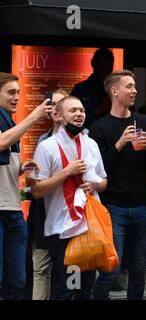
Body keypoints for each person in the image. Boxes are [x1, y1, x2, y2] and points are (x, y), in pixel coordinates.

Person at [89, 70, 146, 300]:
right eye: (129, 86)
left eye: (135, 86)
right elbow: (98, 169)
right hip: (113, 208)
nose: (135, 91)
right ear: (114, 91)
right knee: (111, 270)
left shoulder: (144, 122)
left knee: (138, 269)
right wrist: (119, 144)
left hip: (141, 207)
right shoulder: (99, 128)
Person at [31, 96, 107, 300]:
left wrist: (94, 185)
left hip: (89, 227)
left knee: (85, 289)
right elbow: (37, 190)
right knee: (65, 289)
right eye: (73, 110)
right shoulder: (47, 147)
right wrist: (67, 172)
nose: (79, 114)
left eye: (81, 110)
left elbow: (104, 181)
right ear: (58, 115)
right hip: (62, 229)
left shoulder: (91, 144)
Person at [0, 72, 53, 300]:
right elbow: (1, 143)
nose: (17, 97)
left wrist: (23, 166)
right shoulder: (10, 128)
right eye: (11, 92)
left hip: (13, 208)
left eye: (18, 93)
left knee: (18, 280)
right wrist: (33, 116)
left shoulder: (9, 124)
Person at [27, 89, 69, 300]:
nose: (56, 109)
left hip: (71, 216)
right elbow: (37, 182)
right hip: (44, 213)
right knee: (41, 266)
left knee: (73, 269)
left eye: (61, 104)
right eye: (52, 104)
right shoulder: (43, 140)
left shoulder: (84, 137)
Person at [72, 48, 114, 128]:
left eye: (108, 68)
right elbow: (72, 121)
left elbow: (130, 117)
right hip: (87, 136)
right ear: (92, 64)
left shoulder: (118, 89)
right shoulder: (80, 90)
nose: (104, 71)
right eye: (101, 67)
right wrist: (99, 110)